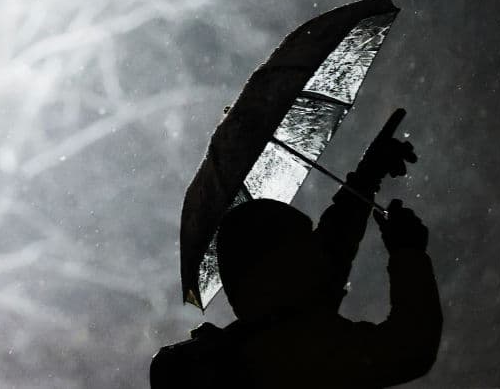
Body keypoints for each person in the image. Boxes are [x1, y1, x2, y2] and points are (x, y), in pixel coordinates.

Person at [150, 109, 442, 388]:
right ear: (282, 266)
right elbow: (408, 350)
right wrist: (408, 253)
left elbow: (331, 248)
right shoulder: (292, 358)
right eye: (305, 240)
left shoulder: (271, 328)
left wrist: (368, 176)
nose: (317, 245)